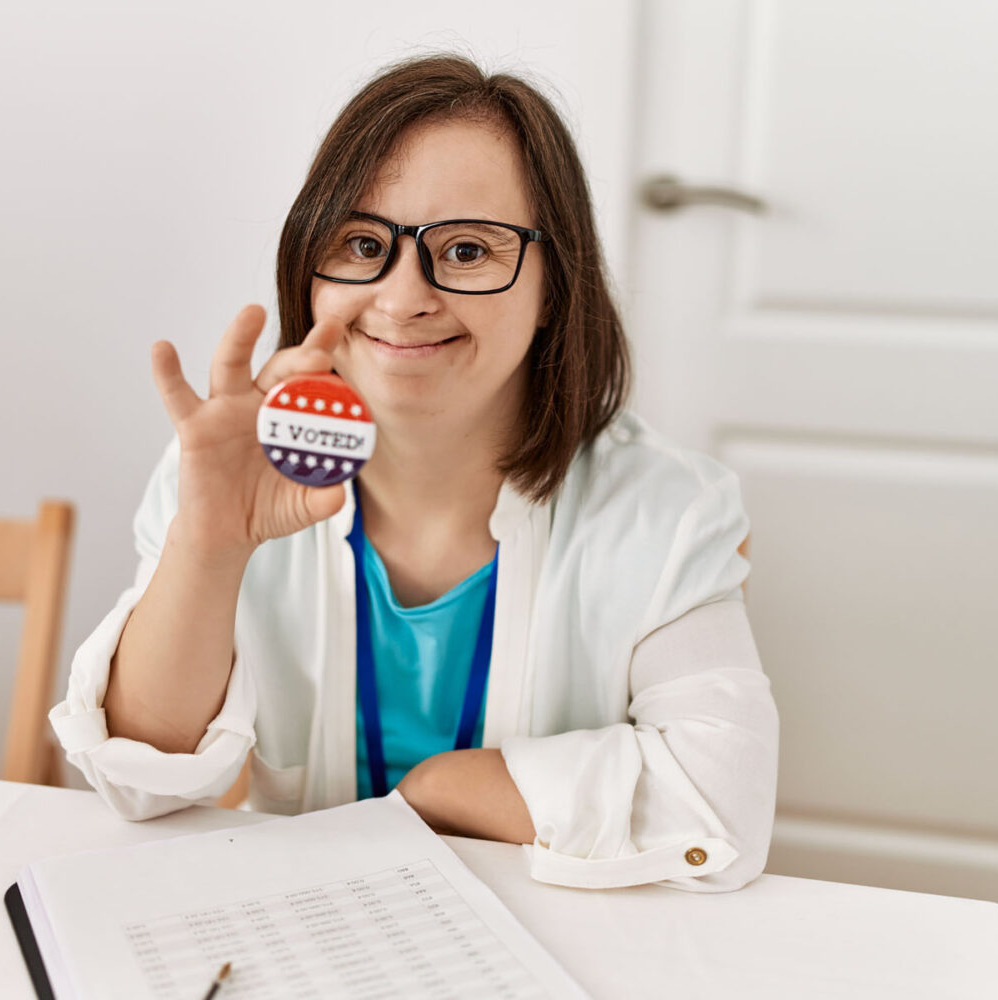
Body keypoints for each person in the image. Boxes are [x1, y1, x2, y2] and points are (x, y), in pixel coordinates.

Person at [50, 53, 779, 892]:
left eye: (466, 250)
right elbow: (141, 787)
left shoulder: (666, 509)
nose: (402, 299)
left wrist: (437, 790)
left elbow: (721, 808)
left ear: (557, 285)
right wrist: (209, 542)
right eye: (363, 244)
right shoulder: (232, 465)